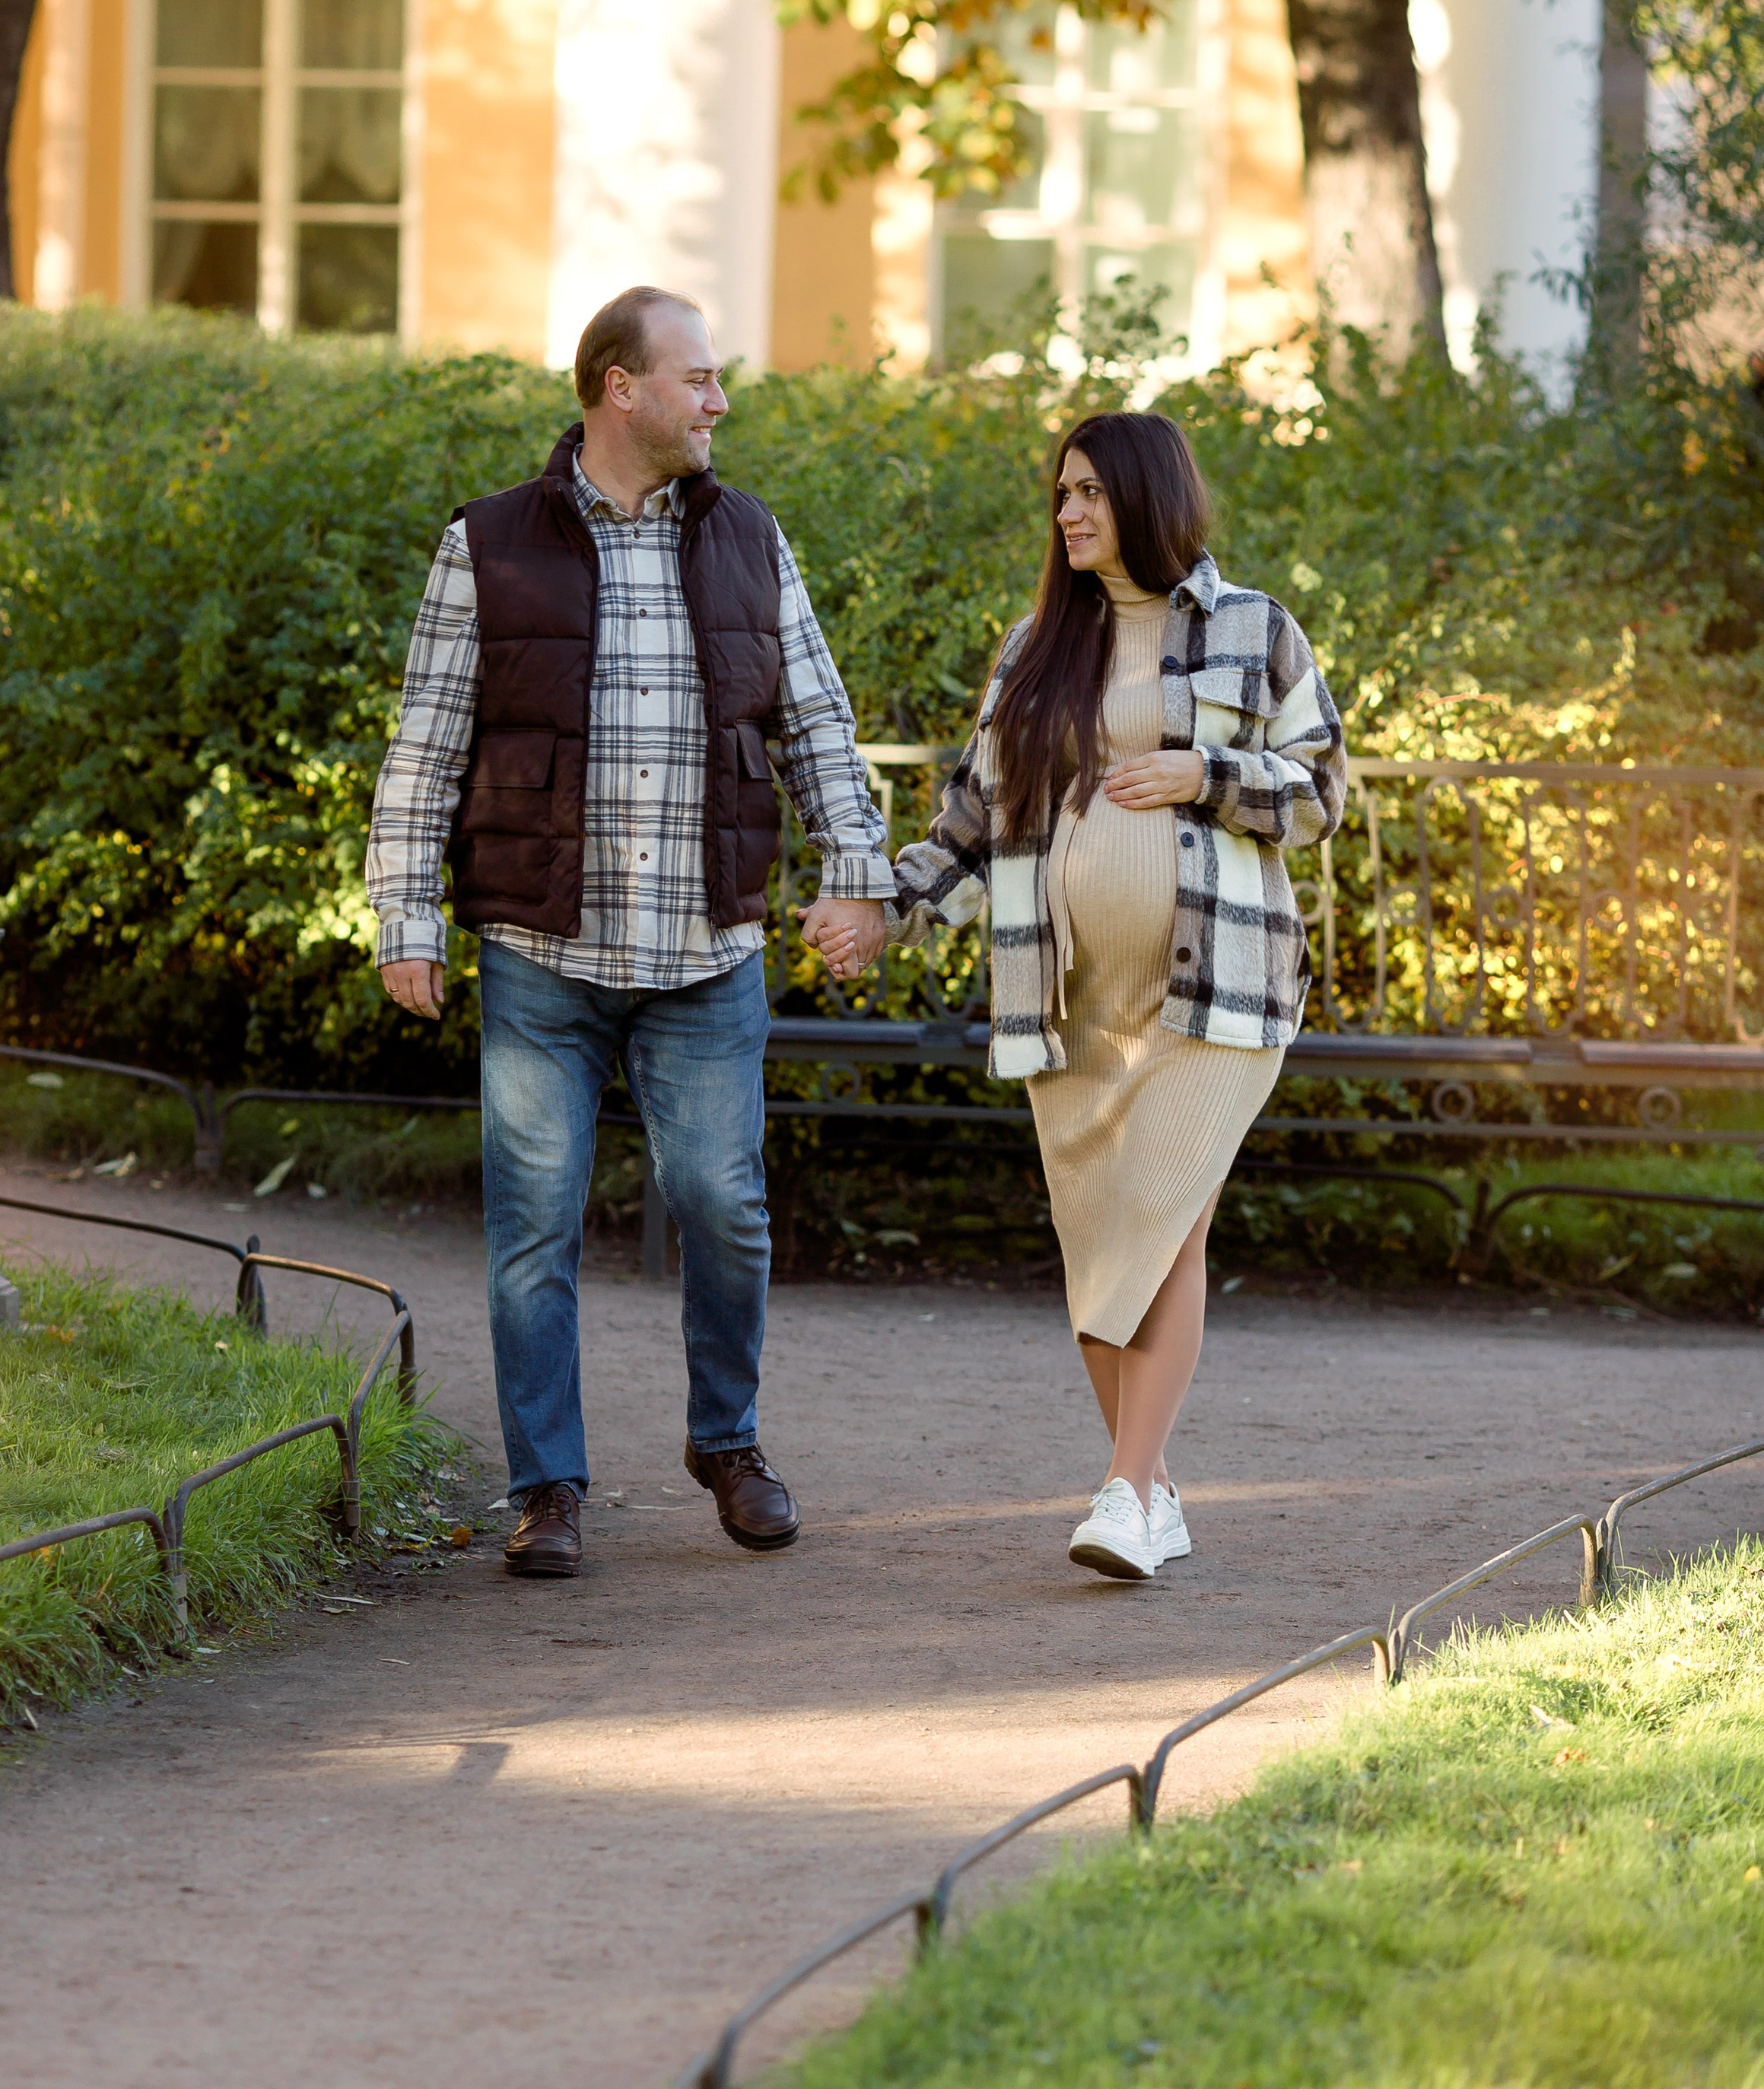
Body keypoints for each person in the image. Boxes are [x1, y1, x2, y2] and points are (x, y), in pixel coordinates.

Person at [366, 285, 894, 1579]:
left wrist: (861, 872)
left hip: (706, 946)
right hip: (544, 949)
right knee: (530, 1229)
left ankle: (729, 1441)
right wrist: (404, 909)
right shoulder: (487, 545)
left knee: (725, 1205)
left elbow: (816, 719)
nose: (719, 401)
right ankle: (548, 1487)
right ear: (621, 387)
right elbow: (427, 741)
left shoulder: (751, 540)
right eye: (699, 378)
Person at [812, 410, 1343, 1581]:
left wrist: (1208, 773)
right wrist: (882, 908)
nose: (1070, 513)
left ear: (1149, 495)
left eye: (1092, 491)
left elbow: (1321, 793)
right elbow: (968, 817)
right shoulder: (1036, 647)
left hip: (1220, 994)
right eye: (1061, 494)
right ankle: (1146, 1490)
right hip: (1066, 1002)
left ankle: (1124, 1486)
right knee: (1101, 1248)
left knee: (1165, 1215)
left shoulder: (1256, 629)